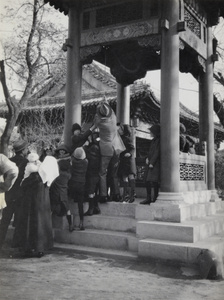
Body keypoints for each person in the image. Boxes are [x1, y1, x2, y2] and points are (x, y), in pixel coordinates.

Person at [13, 153, 58, 257]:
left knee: (30, 225)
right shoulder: (46, 178)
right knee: (40, 225)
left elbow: (24, 184)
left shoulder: (35, 175)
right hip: (41, 206)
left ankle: (28, 247)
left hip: (30, 204)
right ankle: (40, 248)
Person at [94, 102, 126, 203]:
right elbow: (110, 111)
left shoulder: (99, 122)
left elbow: (95, 119)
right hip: (116, 149)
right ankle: (116, 194)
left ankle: (103, 195)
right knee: (114, 173)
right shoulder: (113, 119)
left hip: (105, 150)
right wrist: (105, 104)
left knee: (102, 173)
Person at [0, 142, 27, 249]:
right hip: (20, 195)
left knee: (4, 221)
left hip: (8, 194)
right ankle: (17, 244)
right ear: (24, 150)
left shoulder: (9, 161)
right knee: (20, 220)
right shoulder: (25, 162)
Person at [50, 144, 74, 232]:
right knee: (67, 209)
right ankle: (71, 225)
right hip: (64, 194)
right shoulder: (68, 175)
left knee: (51, 209)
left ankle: (47, 225)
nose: (62, 152)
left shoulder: (57, 175)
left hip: (55, 193)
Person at [68, 147, 88, 230]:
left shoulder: (72, 161)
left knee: (68, 201)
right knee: (80, 204)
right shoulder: (86, 162)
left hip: (72, 183)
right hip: (81, 183)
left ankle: (70, 224)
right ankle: (81, 222)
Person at [140, 124, 160, 205]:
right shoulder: (153, 140)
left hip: (155, 164)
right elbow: (151, 151)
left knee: (154, 182)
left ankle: (155, 197)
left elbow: (157, 152)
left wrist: (152, 162)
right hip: (150, 162)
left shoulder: (159, 140)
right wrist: (147, 158)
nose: (150, 133)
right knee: (147, 180)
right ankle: (148, 198)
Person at [118, 124, 136, 203]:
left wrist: (129, 153)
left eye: (121, 129)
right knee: (124, 177)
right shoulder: (119, 138)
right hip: (122, 160)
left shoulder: (128, 138)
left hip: (128, 160)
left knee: (130, 176)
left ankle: (132, 195)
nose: (119, 130)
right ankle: (125, 196)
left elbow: (132, 148)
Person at [84, 132, 101, 216]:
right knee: (94, 191)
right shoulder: (99, 147)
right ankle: (96, 207)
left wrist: (85, 147)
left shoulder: (92, 148)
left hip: (91, 172)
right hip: (97, 173)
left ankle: (91, 209)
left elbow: (90, 157)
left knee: (91, 191)